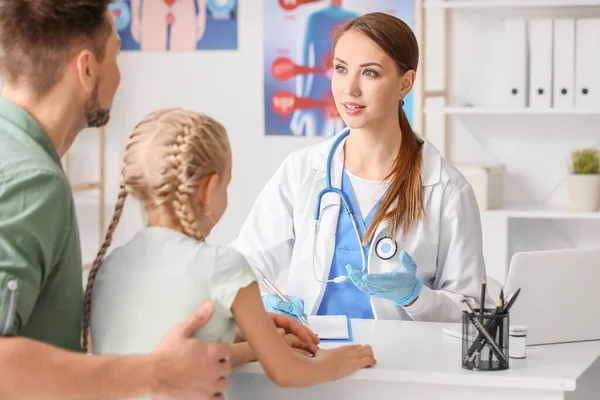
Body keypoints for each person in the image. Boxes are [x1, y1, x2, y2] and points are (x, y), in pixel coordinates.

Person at [0, 2, 314, 399]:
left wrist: (234, 333)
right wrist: (156, 373)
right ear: (86, 68)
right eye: (116, 53)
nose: (119, 74)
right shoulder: (33, 181)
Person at [83, 108, 376, 390]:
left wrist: (254, 344)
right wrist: (335, 363)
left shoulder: (109, 266)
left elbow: (151, 350)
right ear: (209, 189)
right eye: (227, 185)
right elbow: (288, 373)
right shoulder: (224, 265)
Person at [232, 12, 493, 323]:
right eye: (341, 69)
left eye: (369, 73)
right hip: (310, 356)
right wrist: (265, 301)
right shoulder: (302, 171)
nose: (349, 89)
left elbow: (472, 308)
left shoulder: (445, 188)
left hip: (403, 365)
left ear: (404, 84)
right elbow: (243, 263)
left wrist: (417, 297)